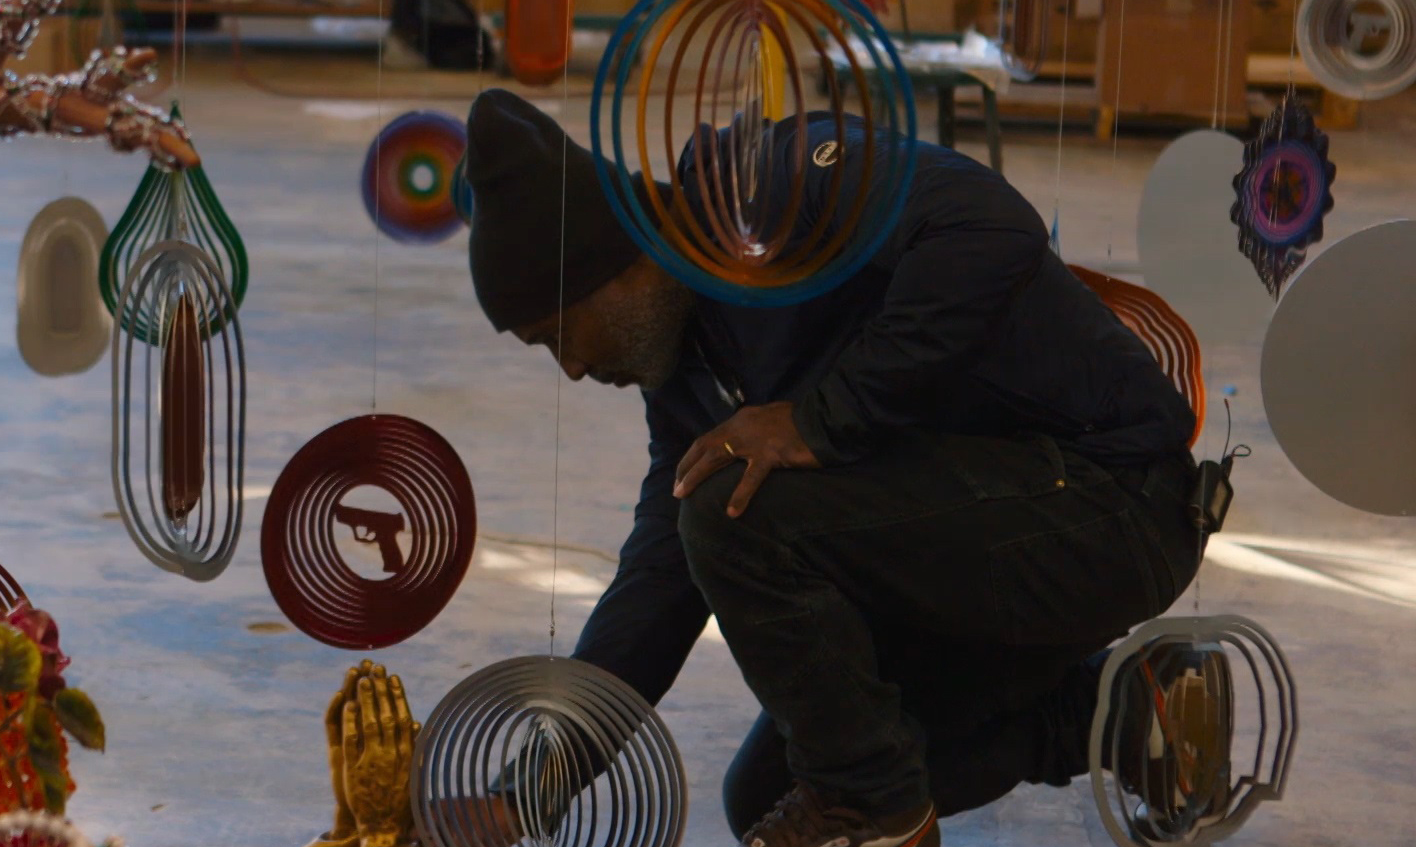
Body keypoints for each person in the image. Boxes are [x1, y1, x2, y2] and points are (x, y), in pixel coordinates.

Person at [454, 89, 1228, 847]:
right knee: (770, 793)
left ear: (608, 266)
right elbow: (659, 583)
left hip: (1112, 505)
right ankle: (1130, 709)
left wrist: (819, 419)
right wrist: (525, 794)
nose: (577, 368)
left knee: (747, 530)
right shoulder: (687, 371)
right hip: (981, 541)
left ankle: (883, 816)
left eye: (560, 334)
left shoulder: (775, 185)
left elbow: (991, 229)